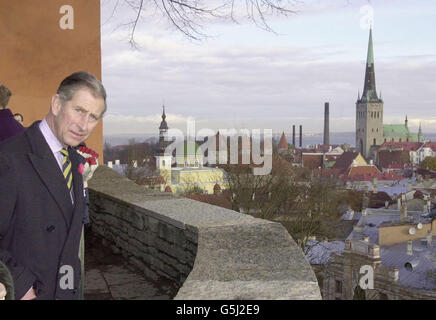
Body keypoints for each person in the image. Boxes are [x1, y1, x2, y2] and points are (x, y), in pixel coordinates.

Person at [0, 71, 106, 300]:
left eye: (93, 117)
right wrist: (20, 287)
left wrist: (70, 289)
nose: (84, 125)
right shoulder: (10, 157)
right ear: (57, 104)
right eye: (79, 110)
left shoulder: (75, 161)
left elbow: (67, 246)